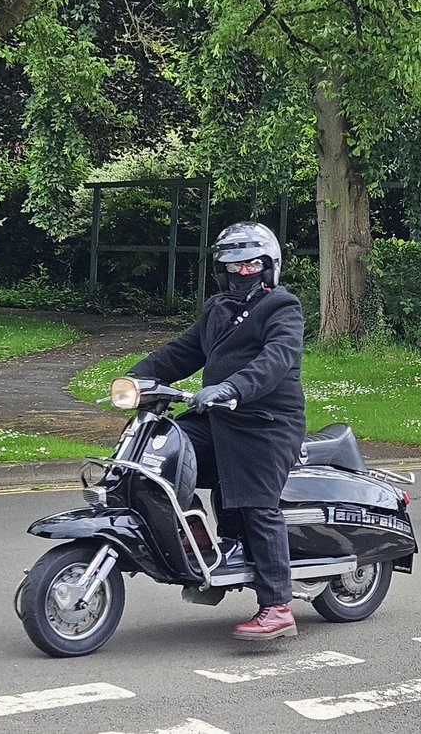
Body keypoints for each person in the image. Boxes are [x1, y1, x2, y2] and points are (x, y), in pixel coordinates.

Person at [127, 221, 306, 639]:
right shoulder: (217, 309)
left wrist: (231, 388)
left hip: (266, 423)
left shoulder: (282, 307)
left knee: (257, 503)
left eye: (252, 265)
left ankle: (277, 606)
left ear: (268, 266)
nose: (242, 273)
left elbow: (275, 360)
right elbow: (182, 351)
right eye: (233, 265)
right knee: (163, 456)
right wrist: (138, 378)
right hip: (218, 418)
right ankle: (199, 545)